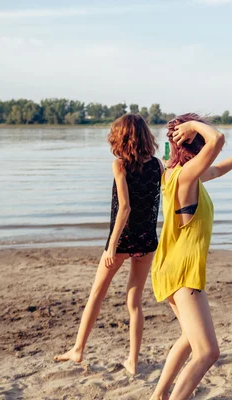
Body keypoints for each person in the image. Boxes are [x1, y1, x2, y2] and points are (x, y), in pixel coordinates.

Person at [150, 114, 232, 400]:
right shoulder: (185, 176)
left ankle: (158, 395)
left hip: (171, 268)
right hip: (182, 272)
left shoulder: (178, 174)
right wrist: (192, 127)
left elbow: (216, 169)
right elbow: (218, 140)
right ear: (192, 142)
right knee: (208, 351)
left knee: (191, 340)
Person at [55, 114, 162, 375]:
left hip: (123, 240)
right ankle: (133, 362)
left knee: (96, 294)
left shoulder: (120, 165)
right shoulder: (159, 165)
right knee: (134, 302)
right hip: (147, 240)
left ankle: (78, 349)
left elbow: (124, 207)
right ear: (145, 136)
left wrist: (112, 246)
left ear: (122, 137)